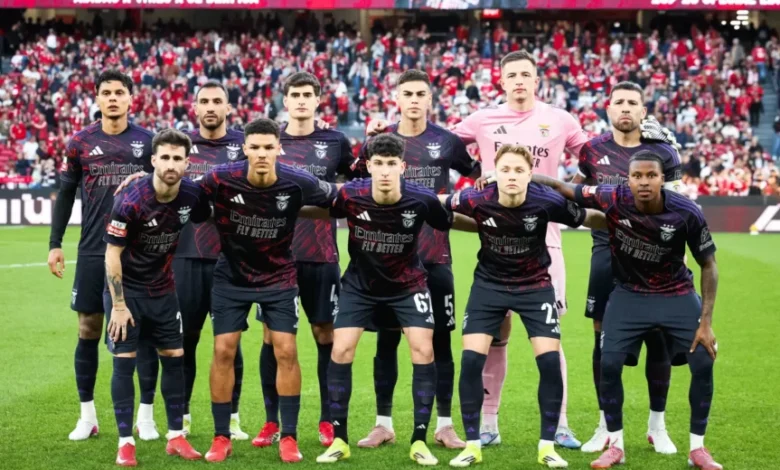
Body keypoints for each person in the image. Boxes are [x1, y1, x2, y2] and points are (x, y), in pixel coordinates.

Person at [533, 152, 722, 470]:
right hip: (629, 294)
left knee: (703, 360)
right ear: (628, 180)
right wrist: (524, 178)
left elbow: (709, 265)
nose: (644, 182)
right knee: (608, 363)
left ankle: (697, 449)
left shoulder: (686, 211)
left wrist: (706, 323)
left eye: (651, 175)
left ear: (662, 179)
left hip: (675, 293)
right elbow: (564, 187)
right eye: (637, 176)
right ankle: (615, 444)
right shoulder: (612, 197)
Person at [445, 144, 606, 468]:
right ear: (495, 173)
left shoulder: (546, 200)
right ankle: (473, 444)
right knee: (471, 362)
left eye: (519, 170)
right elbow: (440, 207)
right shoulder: (476, 198)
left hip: (535, 288)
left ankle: (547, 447)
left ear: (530, 174)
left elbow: (586, 217)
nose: (512, 176)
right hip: (488, 287)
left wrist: (627, 219)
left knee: (549, 363)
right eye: (505, 170)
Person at [315, 133, 471, 466]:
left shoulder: (422, 198)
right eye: (378, 164)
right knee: (340, 350)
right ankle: (340, 439)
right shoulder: (350, 195)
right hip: (360, 286)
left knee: (424, 350)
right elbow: (316, 204)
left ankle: (419, 440)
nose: (385, 171)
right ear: (369, 166)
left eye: (391, 164)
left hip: (408, 285)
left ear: (402, 166)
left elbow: (448, 219)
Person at [351, 69, 480, 450]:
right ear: (396, 98)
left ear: (429, 99)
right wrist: (366, 142)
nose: (413, 100)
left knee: (441, 342)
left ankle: (445, 425)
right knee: (387, 342)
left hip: (435, 257)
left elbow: (477, 174)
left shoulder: (447, 141)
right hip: (388, 261)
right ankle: (383, 424)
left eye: (420, 94)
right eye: (406, 93)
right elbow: (355, 179)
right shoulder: (381, 142)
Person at [199, 118, 338, 464]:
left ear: (279, 148)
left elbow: (339, 196)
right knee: (223, 350)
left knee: (286, 350)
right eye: (255, 148)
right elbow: (182, 191)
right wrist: (144, 179)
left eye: (268, 147)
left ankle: (288, 437)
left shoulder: (298, 181)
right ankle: (221, 436)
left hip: (278, 276)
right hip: (231, 277)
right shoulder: (220, 178)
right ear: (244, 149)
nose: (262, 154)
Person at [572, 81, 684, 454]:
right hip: (607, 254)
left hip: (656, 258)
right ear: (608, 109)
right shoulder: (592, 151)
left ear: (643, 110)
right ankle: (605, 425)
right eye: (618, 101)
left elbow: (679, 207)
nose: (625, 108)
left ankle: (657, 426)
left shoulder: (663, 152)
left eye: (632, 102)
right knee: (602, 340)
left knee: (658, 337)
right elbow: (576, 195)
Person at [47, 70, 158, 441]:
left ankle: (146, 418)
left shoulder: (148, 142)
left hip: (138, 253)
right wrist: (55, 243)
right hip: (94, 250)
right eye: (106, 92)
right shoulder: (80, 142)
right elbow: (66, 194)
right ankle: (87, 417)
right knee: (88, 328)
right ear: (96, 98)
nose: (113, 98)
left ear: (130, 98)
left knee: (142, 334)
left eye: (119, 92)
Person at [255, 72, 355, 449]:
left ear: (317, 100)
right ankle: (271, 421)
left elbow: (355, 183)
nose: (300, 100)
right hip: (274, 256)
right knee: (272, 336)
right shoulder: (271, 140)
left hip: (321, 254)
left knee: (324, 333)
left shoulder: (335, 141)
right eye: (294, 94)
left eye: (307, 95)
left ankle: (327, 420)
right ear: (285, 100)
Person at [103, 128, 209, 466]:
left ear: (187, 163)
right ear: (152, 160)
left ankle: (176, 437)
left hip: (164, 290)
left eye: (178, 158)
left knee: (174, 356)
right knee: (125, 360)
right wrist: (118, 305)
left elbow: (206, 209)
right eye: (165, 157)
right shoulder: (130, 200)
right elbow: (112, 254)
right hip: (128, 293)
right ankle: (125, 442)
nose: (171, 164)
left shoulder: (192, 194)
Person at [177, 80, 248, 439]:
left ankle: (232, 419)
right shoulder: (179, 145)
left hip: (229, 259)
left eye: (217, 101)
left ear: (228, 107)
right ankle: (181, 416)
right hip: (185, 257)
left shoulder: (244, 145)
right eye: (203, 101)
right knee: (184, 340)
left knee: (230, 342)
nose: (210, 107)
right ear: (194, 107)